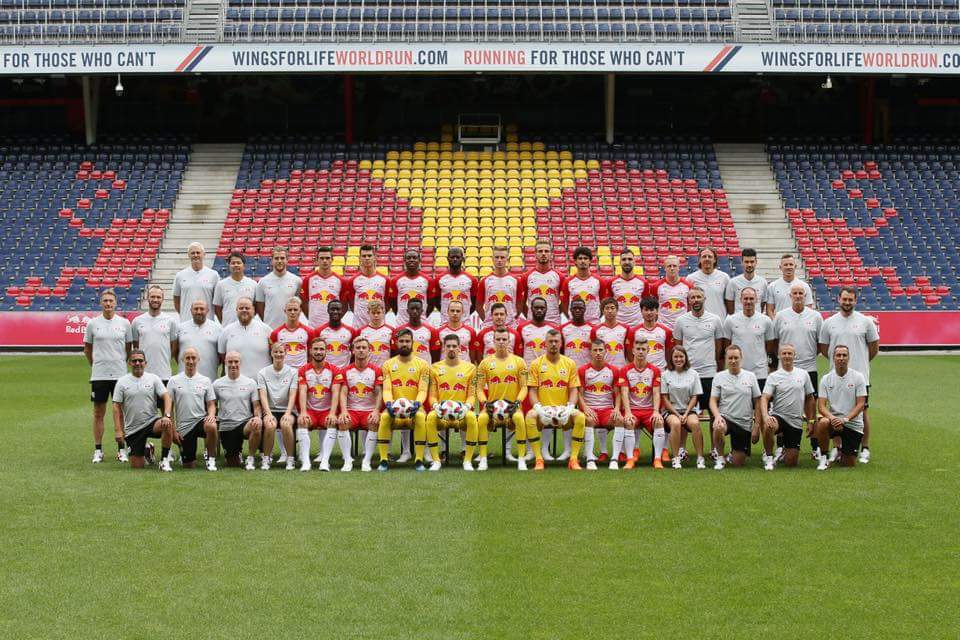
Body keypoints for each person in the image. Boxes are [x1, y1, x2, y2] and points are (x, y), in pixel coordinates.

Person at [818, 286, 879, 464]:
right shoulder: (829, 323)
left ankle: (865, 448)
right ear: (839, 299)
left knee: (863, 411)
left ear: (855, 301)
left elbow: (874, 348)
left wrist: (860, 364)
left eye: (850, 299)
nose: (847, 302)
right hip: (836, 376)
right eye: (844, 299)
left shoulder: (865, 322)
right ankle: (837, 448)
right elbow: (824, 349)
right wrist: (839, 364)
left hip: (860, 376)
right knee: (836, 410)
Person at [773, 283, 823, 457]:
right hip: (784, 370)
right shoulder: (780, 316)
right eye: (795, 293)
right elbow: (774, 342)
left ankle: (815, 446)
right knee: (782, 407)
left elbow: (820, 343)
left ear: (806, 296)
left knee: (811, 406)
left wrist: (807, 357)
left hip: (809, 368)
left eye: (801, 293)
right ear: (790, 296)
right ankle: (781, 446)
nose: (798, 296)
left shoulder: (815, 317)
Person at [525, 329, 587, 471]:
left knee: (580, 417)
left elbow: (574, 390)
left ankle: (573, 459)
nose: (553, 344)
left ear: (561, 343)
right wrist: (539, 409)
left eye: (556, 341)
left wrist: (570, 407)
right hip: (544, 409)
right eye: (550, 341)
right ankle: (538, 459)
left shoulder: (570, 363)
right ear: (545, 344)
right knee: (530, 416)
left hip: (563, 410)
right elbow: (532, 390)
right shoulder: (536, 364)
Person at [83, 288, 132, 463]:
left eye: (111, 301)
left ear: (116, 303)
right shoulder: (92, 324)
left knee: (121, 413)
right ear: (100, 303)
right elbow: (87, 349)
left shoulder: (124, 323)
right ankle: (98, 450)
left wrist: (120, 362)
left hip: (120, 375)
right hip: (99, 375)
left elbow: (128, 348)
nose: (108, 303)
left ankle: (122, 449)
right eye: (105, 301)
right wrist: (96, 364)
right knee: (98, 413)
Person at [377, 329, 430, 471]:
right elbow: (387, 389)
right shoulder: (388, 364)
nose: (404, 344)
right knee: (384, 417)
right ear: (396, 343)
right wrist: (389, 404)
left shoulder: (423, 364)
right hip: (394, 408)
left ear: (412, 343)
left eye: (407, 341)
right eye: (401, 341)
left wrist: (417, 404)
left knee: (420, 417)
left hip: (415, 408)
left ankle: (419, 459)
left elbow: (423, 390)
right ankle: (383, 460)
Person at [113, 350, 174, 471]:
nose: (137, 363)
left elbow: (167, 397)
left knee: (167, 424)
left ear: (145, 363)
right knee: (137, 467)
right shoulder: (122, 382)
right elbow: (116, 406)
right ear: (129, 363)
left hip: (152, 422)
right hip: (133, 429)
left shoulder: (153, 378)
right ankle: (147, 450)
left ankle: (164, 460)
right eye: (134, 361)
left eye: (140, 360)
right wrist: (118, 430)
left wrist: (167, 415)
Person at [477, 328, 529, 469]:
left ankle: (521, 459)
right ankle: (483, 458)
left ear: (509, 341)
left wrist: (517, 402)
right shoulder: (484, 363)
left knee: (519, 419)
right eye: (498, 339)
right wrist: (485, 403)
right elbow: (479, 389)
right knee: (481, 419)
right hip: (491, 407)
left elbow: (524, 387)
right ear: (493, 341)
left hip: (513, 407)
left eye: (504, 339)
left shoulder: (519, 362)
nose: (501, 342)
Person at [427, 335, 479, 470]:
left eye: (454, 346)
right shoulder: (434, 368)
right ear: (444, 348)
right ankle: (436, 460)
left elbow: (472, 395)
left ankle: (467, 460)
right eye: (448, 346)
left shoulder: (471, 368)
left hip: (462, 412)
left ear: (460, 348)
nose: (451, 349)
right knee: (430, 417)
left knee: (472, 417)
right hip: (441, 413)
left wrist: (466, 407)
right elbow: (432, 395)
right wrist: (435, 406)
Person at [760, 344, 815, 470]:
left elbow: (810, 399)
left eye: (790, 353)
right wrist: (766, 416)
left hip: (795, 421)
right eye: (784, 353)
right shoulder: (773, 376)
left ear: (794, 356)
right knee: (769, 425)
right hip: (779, 416)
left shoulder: (803, 374)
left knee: (791, 463)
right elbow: (764, 398)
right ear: (779, 356)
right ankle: (769, 457)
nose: (787, 356)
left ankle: (785, 450)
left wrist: (811, 421)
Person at [673, 287, 723, 423]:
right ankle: (684, 439)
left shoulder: (715, 320)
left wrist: (716, 366)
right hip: (688, 373)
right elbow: (678, 348)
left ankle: (715, 438)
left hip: (709, 373)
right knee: (684, 413)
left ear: (704, 299)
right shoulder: (680, 321)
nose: (696, 300)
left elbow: (719, 347)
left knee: (714, 413)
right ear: (688, 301)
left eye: (698, 297)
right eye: (692, 297)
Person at [814, 345, 868, 470]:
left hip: (853, 424)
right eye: (838, 355)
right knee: (823, 422)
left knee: (848, 463)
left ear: (849, 358)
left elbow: (861, 404)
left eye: (844, 355)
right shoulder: (826, 379)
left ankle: (841, 451)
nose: (841, 358)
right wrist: (832, 418)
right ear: (833, 358)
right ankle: (824, 458)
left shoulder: (858, 377)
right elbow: (821, 406)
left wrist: (845, 419)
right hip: (833, 422)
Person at [709, 345, 762, 470]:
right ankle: (720, 458)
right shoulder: (719, 377)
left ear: (741, 358)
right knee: (718, 426)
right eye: (730, 358)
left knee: (738, 463)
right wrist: (717, 416)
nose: (733, 361)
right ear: (726, 359)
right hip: (726, 418)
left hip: (743, 423)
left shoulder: (750, 376)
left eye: (736, 358)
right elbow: (713, 400)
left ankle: (732, 454)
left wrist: (756, 426)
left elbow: (758, 401)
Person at [166, 347, 218, 471]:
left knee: (212, 426)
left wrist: (211, 415)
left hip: (200, 421)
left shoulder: (205, 381)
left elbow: (211, 404)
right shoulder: (173, 381)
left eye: (193, 358)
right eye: (188, 358)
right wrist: (173, 430)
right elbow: (169, 408)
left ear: (198, 359)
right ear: (182, 360)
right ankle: (186, 455)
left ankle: (211, 459)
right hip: (184, 427)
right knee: (189, 466)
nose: (190, 361)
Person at [296, 337, 343, 472]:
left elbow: (336, 392)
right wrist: (303, 412)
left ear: (326, 351)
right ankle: (306, 462)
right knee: (302, 421)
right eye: (315, 349)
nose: (318, 352)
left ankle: (325, 461)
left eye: (321, 349)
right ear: (310, 351)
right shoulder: (303, 370)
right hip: (310, 411)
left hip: (326, 411)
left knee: (332, 422)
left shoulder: (335, 370)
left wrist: (332, 413)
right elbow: (302, 391)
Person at [617, 340, 665, 469]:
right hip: (632, 410)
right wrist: (628, 412)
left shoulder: (654, 370)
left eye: (643, 349)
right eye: (638, 349)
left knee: (659, 421)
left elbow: (656, 393)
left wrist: (656, 411)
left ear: (648, 351)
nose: (640, 352)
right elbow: (624, 392)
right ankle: (630, 459)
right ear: (633, 351)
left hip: (649, 410)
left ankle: (657, 459)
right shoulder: (625, 370)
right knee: (629, 422)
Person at [214, 351, 264, 470]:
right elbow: (212, 405)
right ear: (225, 363)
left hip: (244, 424)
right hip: (226, 426)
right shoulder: (217, 384)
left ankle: (250, 459)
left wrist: (257, 417)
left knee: (256, 425)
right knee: (233, 464)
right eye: (230, 362)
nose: (233, 365)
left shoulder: (250, 383)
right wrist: (213, 418)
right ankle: (236, 453)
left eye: (236, 361)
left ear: (240, 363)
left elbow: (256, 406)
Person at [339, 338, 383, 472]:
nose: (361, 350)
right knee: (342, 422)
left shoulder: (376, 370)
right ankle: (347, 460)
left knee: (374, 422)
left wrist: (376, 411)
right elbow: (343, 393)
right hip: (352, 410)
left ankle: (366, 461)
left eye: (364, 348)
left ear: (369, 351)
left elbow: (379, 393)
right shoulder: (345, 371)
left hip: (369, 411)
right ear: (353, 351)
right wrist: (344, 411)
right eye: (358, 348)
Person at [578, 339, 621, 470]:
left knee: (619, 420)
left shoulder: (613, 370)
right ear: (590, 352)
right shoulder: (583, 370)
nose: (598, 353)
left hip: (607, 410)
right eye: (595, 350)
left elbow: (618, 393)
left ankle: (614, 459)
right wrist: (585, 408)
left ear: (605, 351)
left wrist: (617, 409)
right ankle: (590, 459)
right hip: (591, 409)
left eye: (600, 350)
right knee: (589, 420)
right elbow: (579, 394)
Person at [720, 288, 775, 390]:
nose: (748, 301)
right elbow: (727, 345)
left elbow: (769, 345)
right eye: (745, 298)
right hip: (738, 371)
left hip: (759, 372)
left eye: (751, 298)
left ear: (756, 300)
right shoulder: (730, 320)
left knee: (760, 399)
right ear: (740, 300)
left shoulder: (766, 321)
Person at [661, 346, 705, 469]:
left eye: (681, 356)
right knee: (675, 423)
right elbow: (665, 398)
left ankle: (700, 458)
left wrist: (685, 414)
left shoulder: (694, 374)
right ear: (671, 358)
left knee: (695, 423)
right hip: (671, 411)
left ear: (685, 358)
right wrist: (677, 414)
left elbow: (695, 396)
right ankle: (676, 459)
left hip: (688, 410)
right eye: (675, 357)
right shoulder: (665, 374)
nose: (678, 359)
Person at [257, 342, 298, 470]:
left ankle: (290, 459)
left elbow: (292, 394)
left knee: (286, 424)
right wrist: (268, 413)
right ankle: (266, 459)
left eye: (281, 352)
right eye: (276, 352)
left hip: (287, 410)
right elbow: (263, 395)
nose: (278, 354)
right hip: (270, 409)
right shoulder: (263, 372)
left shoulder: (293, 372)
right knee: (270, 425)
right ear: (271, 353)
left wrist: (288, 413)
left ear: (285, 354)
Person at [131, 285, 178, 395]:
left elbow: (173, 347)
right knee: (144, 404)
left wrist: (165, 358)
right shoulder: (137, 321)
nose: (155, 299)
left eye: (158, 297)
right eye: (152, 296)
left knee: (165, 405)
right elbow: (136, 347)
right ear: (147, 297)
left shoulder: (170, 321)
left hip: (164, 373)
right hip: (143, 374)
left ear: (162, 299)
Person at [218, 297, 271, 378]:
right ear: (236, 310)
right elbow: (222, 356)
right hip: (236, 382)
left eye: (247, 308)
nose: (244, 310)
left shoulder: (266, 330)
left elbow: (274, 353)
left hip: (262, 381)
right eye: (241, 308)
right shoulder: (226, 331)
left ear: (253, 310)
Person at [300, 245, 349, 328]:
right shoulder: (308, 280)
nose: (325, 261)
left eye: (327, 258)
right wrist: (311, 318)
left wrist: (336, 319)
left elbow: (344, 305)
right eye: (322, 258)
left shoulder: (341, 281)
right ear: (317, 260)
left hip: (332, 327)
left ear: (332, 260)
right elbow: (304, 302)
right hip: (314, 327)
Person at [477, 245, 524, 327]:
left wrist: (512, 318)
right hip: (490, 326)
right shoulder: (485, 281)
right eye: (497, 257)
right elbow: (478, 306)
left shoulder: (516, 281)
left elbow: (520, 305)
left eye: (502, 257)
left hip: (510, 326)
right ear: (493, 259)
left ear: (507, 260)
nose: (499, 260)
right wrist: (487, 320)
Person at [255, 246, 302, 328]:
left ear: (287, 260)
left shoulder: (297, 281)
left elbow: (299, 304)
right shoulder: (263, 282)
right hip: (270, 328)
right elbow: (260, 307)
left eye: (282, 258)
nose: (279, 261)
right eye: (276, 258)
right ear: (272, 261)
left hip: (290, 329)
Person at [176, 299, 222, 383]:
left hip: (209, 378)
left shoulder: (217, 329)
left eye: (202, 309)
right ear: (191, 310)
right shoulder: (180, 328)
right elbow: (175, 352)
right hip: (184, 379)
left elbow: (221, 355)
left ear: (207, 310)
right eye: (196, 309)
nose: (199, 312)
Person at [388, 248, 436, 326]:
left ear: (419, 260)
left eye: (414, 258)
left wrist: (424, 315)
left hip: (422, 323)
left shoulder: (428, 280)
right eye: (409, 258)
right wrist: (400, 314)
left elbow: (431, 302)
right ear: (404, 260)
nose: (411, 260)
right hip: (401, 323)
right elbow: (392, 301)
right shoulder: (395, 280)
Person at [172, 242, 219, 322]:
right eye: (192, 253)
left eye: (198, 252)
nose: (195, 255)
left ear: (204, 254)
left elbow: (217, 301)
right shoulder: (180, 275)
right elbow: (176, 299)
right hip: (186, 322)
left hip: (208, 322)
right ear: (188, 255)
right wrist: (184, 314)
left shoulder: (214, 275)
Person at [523, 240, 564, 324]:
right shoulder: (526, 276)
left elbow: (564, 303)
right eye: (540, 251)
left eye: (546, 251)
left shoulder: (559, 276)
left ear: (551, 255)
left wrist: (554, 314)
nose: (543, 254)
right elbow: (522, 303)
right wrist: (531, 315)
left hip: (553, 323)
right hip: (532, 323)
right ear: (535, 254)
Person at [435, 246, 478, 325]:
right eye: (452, 257)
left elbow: (474, 303)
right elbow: (436, 302)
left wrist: (465, 314)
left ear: (462, 259)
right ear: (448, 259)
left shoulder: (471, 279)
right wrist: (446, 313)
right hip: (445, 324)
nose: (455, 259)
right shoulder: (439, 279)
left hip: (465, 324)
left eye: (457, 257)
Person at [348, 244, 388, 328]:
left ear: (374, 257)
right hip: (359, 326)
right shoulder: (353, 280)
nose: (367, 258)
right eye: (364, 256)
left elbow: (387, 303)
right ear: (360, 258)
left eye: (369, 255)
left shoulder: (384, 280)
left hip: (379, 327)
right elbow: (351, 303)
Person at [628, 297, 673, 371]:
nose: (649, 313)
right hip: (641, 372)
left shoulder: (666, 331)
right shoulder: (633, 331)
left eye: (651, 310)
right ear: (641, 311)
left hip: (660, 371)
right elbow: (630, 354)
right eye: (646, 310)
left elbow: (669, 353)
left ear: (657, 311)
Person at [213, 251, 257, 326]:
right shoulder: (221, 285)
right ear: (229, 266)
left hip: (248, 327)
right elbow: (217, 308)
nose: (236, 265)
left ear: (244, 266)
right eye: (233, 263)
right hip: (228, 326)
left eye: (238, 263)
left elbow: (256, 307)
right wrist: (225, 322)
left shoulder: (253, 284)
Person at [649, 254, 692, 330]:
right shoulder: (656, 286)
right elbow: (653, 308)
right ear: (665, 268)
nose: (672, 268)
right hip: (663, 328)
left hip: (682, 327)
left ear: (679, 268)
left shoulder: (688, 286)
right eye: (669, 266)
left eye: (674, 266)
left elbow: (690, 307)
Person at [562, 246, 604, 323]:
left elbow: (603, 303)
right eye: (580, 258)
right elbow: (564, 304)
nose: (583, 261)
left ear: (590, 261)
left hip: (593, 324)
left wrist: (596, 317)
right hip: (575, 324)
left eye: (585, 258)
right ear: (575, 261)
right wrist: (572, 318)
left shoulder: (599, 281)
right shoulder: (568, 282)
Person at [269, 297, 313, 370]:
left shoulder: (309, 332)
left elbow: (311, 355)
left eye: (295, 310)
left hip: (302, 372)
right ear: (285, 311)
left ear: (300, 311)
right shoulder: (276, 333)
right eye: (290, 310)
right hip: (284, 372)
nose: (292, 312)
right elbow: (273, 356)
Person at [687, 247, 730, 320]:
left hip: (720, 321)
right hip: (699, 322)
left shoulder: (724, 277)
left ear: (714, 259)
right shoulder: (691, 278)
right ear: (699, 259)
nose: (707, 259)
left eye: (710, 256)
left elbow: (729, 302)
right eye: (704, 256)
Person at [765, 254, 814, 318]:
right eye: (785, 265)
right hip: (780, 323)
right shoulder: (772, 286)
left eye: (791, 264)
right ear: (780, 267)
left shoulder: (804, 286)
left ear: (795, 266)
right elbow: (769, 310)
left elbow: (809, 309)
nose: (788, 267)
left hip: (799, 323)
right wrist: (775, 322)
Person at [608, 248, 647, 326]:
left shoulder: (643, 282)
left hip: (637, 325)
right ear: (620, 262)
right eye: (624, 259)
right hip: (618, 325)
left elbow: (646, 305)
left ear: (634, 262)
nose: (627, 262)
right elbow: (608, 304)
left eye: (630, 259)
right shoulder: (612, 282)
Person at [393, 298, 439, 363]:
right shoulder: (398, 331)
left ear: (422, 311)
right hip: (405, 367)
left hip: (424, 368)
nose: (415, 311)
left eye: (417, 309)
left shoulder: (431, 330)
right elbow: (395, 352)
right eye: (412, 309)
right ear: (407, 311)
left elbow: (435, 353)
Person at [314, 299, 356, 369]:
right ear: (328, 310)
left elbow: (355, 353)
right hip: (326, 371)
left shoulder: (351, 331)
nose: (335, 312)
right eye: (332, 309)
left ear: (342, 311)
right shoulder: (319, 331)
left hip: (344, 371)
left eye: (338, 309)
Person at [725, 248, 768, 315]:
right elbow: (730, 308)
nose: (749, 265)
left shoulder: (763, 282)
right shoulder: (733, 282)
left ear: (756, 262)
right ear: (742, 262)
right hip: (738, 320)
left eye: (752, 262)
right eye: (746, 262)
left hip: (756, 320)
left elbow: (762, 304)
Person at [517, 296, 559, 364]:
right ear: (531, 309)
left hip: (547, 368)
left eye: (542, 308)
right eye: (536, 308)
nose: (539, 310)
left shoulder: (554, 329)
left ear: (546, 309)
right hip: (528, 368)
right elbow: (518, 353)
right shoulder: (521, 328)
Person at [356, 299, 395, 368]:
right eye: (373, 313)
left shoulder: (391, 330)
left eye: (378, 312)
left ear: (383, 312)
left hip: (385, 369)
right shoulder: (361, 331)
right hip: (368, 370)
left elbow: (394, 353)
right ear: (368, 313)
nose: (376, 315)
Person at [592, 297, 629, 368]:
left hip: (620, 368)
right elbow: (593, 352)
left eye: (612, 308)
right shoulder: (596, 330)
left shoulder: (625, 329)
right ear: (603, 311)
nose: (610, 311)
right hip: (603, 369)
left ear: (617, 310)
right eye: (607, 308)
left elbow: (628, 352)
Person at [561, 298, 595, 367]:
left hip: (586, 370)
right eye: (575, 308)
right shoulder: (563, 329)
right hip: (568, 369)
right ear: (570, 310)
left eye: (580, 308)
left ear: (585, 309)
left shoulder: (593, 329)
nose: (577, 310)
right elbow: (560, 351)